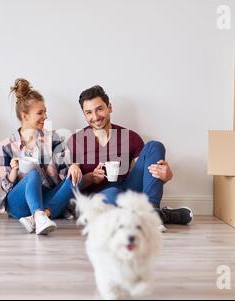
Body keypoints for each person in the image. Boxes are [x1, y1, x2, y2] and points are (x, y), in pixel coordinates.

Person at [68, 85, 192, 226]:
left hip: (128, 190)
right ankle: (159, 216)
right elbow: (72, 184)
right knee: (112, 193)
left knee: (154, 146)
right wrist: (89, 176)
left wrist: (167, 177)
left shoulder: (130, 137)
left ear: (110, 107)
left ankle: (152, 211)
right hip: (98, 198)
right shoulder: (76, 140)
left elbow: (148, 174)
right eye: (89, 112)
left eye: (99, 109)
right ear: (84, 115)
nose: (95, 117)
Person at [0, 79, 82, 235]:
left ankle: (38, 217)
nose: (45, 116)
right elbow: (6, 187)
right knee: (32, 175)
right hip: (19, 204)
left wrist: (73, 167)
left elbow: (64, 175)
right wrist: (14, 171)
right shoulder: (6, 145)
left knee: (77, 176)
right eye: (40, 113)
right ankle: (39, 215)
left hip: (47, 199)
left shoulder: (53, 138)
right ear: (25, 116)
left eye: (45, 112)